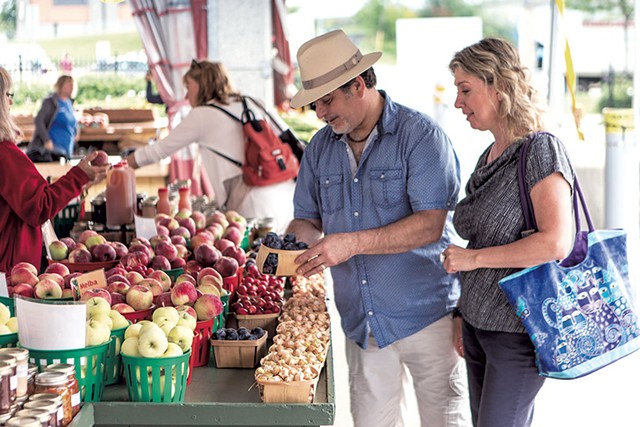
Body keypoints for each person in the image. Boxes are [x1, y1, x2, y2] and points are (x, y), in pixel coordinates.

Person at [286, 30, 470, 427]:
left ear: (358, 85)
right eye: (315, 103)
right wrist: (289, 252)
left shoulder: (420, 136)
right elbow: (307, 219)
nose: (320, 111)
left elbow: (430, 226)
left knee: (445, 422)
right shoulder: (320, 147)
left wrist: (351, 243)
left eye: (327, 100)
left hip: (428, 317)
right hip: (363, 323)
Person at [444, 37, 575, 427]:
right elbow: (479, 237)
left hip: (518, 332)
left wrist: (472, 260)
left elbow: (555, 242)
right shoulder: (489, 156)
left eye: (465, 90)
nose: (457, 103)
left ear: (497, 86)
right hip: (477, 326)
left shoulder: (540, 150)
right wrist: (459, 313)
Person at [125, 60, 296, 229]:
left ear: (202, 85)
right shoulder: (254, 102)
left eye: (189, 87)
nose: (186, 96)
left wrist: (120, 167)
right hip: (287, 194)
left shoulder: (202, 115)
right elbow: (290, 139)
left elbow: (158, 151)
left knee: (255, 254)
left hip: (252, 202)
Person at [0, 66, 108, 273]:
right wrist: (78, 177)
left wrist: (82, 180)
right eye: (7, 94)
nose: (10, 101)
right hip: (12, 273)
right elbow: (38, 206)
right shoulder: (5, 155)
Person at [27, 75, 79, 162]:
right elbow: (39, 120)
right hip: (52, 151)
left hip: (66, 149)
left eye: (72, 84)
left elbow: (72, 122)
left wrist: (76, 131)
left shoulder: (69, 102)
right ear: (60, 85)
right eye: (68, 84)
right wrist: (46, 140)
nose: (71, 87)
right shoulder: (51, 102)